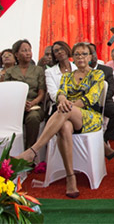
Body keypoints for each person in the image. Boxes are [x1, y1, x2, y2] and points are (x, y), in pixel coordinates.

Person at [16, 42, 104, 198]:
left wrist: (67, 105)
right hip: (66, 114)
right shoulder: (67, 76)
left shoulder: (97, 74)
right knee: (63, 127)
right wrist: (63, 99)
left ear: (90, 57)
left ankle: (33, 150)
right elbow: (60, 92)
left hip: (89, 116)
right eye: (77, 54)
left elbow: (91, 98)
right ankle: (71, 177)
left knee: (63, 111)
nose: (80, 57)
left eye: (84, 54)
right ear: (73, 58)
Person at [5, 40, 46, 149]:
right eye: (24, 51)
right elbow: (7, 93)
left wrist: (32, 103)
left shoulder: (38, 70)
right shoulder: (10, 71)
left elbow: (42, 93)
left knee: (33, 117)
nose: (28, 53)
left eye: (29, 50)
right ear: (17, 55)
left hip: (34, 106)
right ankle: (9, 152)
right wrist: (20, 105)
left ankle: (29, 151)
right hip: (14, 107)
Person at [89, 43, 114, 160]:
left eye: (93, 53)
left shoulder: (106, 70)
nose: (92, 56)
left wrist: (101, 100)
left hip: (104, 101)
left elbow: (110, 91)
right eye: (88, 53)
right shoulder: (79, 70)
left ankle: (105, 138)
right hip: (86, 102)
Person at [45, 41, 77, 115]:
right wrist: (65, 101)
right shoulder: (49, 72)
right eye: (56, 51)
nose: (59, 52)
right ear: (54, 55)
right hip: (58, 105)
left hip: (77, 104)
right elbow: (53, 94)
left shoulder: (78, 68)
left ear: (67, 49)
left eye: (62, 49)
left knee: (66, 125)